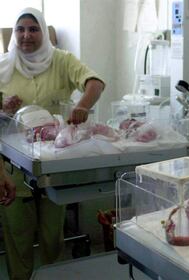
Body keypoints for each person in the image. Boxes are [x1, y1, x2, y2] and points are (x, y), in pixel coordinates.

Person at [0, 7, 105, 280]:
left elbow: (95, 83)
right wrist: (3, 108)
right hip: (11, 169)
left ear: (44, 32)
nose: (26, 35)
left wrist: (81, 106)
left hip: (53, 167)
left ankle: (53, 276)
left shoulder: (61, 61)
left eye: (33, 29)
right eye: (20, 29)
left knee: (52, 237)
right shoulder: (4, 66)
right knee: (18, 238)